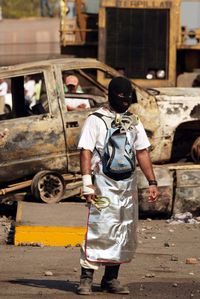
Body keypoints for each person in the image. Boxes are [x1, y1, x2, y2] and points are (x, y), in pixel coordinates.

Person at [77, 76, 160, 295]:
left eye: (127, 98)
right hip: (102, 184)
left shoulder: (134, 121)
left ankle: (110, 279)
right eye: (121, 97)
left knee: (122, 231)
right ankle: (86, 278)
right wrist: (87, 184)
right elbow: (85, 151)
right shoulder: (95, 119)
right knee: (99, 229)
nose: (125, 101)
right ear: (112, 95)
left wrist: (152, 181)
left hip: (127, 186)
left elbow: (142, 151)